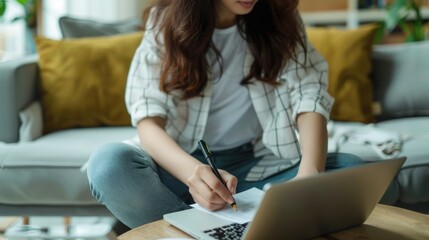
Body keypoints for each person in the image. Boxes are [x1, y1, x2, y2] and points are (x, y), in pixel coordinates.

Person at [86, 0, 363, 229]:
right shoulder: (165, 21)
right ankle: (216, 229)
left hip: (256, 167)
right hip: (180, 167)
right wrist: (193, 173)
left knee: (354, 171)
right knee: (108, 165)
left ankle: (196, 226)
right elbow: (147, 121)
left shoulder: (280, 17)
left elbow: (309, 92)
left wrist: (310, 175)